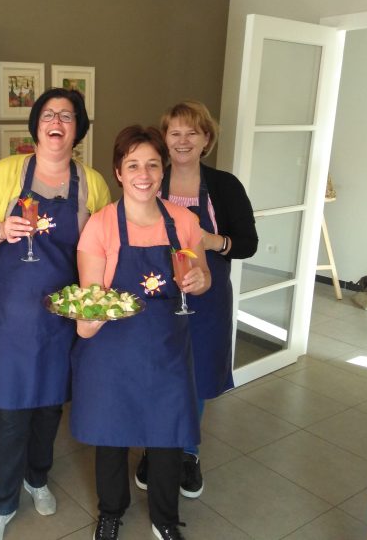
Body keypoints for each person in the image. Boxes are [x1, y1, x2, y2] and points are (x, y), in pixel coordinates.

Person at [0, 88, 111, 540]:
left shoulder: (93, 184)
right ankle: (1, 504)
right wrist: (0, 229)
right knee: (8, 413)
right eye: (48, 114)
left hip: (61, 318)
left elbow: (104, 248)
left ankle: (37, 477)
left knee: (49, 407)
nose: (57, 122)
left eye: (67, 116)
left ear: (78, 129)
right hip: (7, 317)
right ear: (36, 125)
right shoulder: (7, 172)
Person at [72, 125, 210, 540]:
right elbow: (91, 298)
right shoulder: (100, 226)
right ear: (118, 172)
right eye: (133, 165)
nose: (143, 174)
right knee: (110, 433)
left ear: (163, 170)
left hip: (167, 347)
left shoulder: (184, 222)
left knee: (168, 433)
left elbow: (202, 275)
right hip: (113, 349)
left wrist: (200, 280)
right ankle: (111, 511)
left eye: (152, 164)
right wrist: (87, 322)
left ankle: (165, 518)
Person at [135, 101, 258, 498]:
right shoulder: (151, 180)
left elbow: (248, 243)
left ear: (207, 139)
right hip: (158, 294)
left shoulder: (225, 186)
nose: (183, 140)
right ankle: (154, 448)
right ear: (164, 139)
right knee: (158, 373)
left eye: (193, 133)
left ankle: (188, 452)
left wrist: (212, 241)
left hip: (208, 297)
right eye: (175, 133)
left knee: (195, 375)